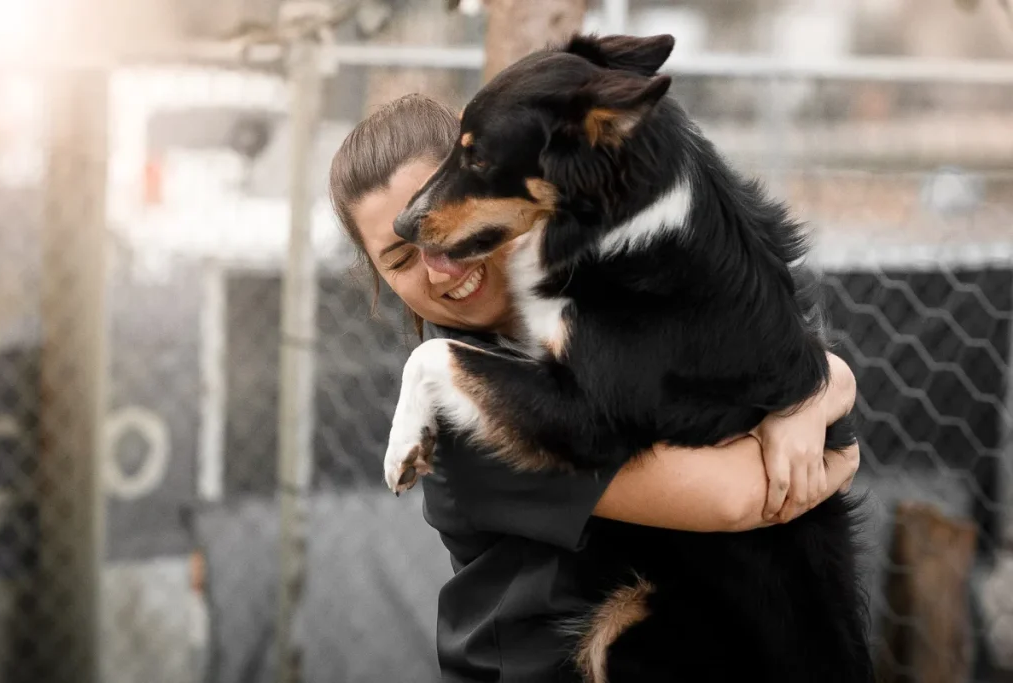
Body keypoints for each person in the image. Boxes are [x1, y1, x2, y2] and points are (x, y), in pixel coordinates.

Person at [329, 94, 860, 682]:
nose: (440, 267)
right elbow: (736, 498)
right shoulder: (461, 410)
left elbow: (772, 370)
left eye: (446, 217)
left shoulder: (607, 304)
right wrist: (822, 428)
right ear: (378, 282)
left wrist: (816, 394)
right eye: (401, 258)